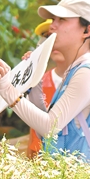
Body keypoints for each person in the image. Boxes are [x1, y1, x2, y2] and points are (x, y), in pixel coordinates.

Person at [0, 0, 90, 162]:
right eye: (53, 19)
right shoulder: (78, 69)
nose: (52, 26)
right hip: (69, 175)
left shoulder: (87, 73)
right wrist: (32, 79)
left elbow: (49, 127)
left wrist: (8, 90)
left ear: (87, 30)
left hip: (75, 176)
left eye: (62, 19)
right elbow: (45, 128)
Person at [27, 20, 66, 158]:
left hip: (69, 161)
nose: (53, 43)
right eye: (48, 38)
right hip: (39, 157)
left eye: (56, 37)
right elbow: (33, 127)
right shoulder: (39, 80)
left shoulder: (86, 79)